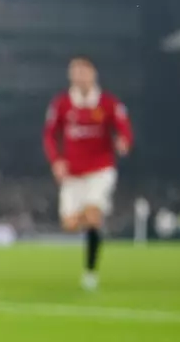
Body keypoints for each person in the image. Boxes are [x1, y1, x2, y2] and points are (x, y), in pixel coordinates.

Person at [42, 55, 133, 290]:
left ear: (93, 74)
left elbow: (124, 129)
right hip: (73, 174)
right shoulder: (62, 104)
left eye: (83, 72)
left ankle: (90, 272)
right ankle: (84, 217)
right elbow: (50, 135)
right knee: (70, 225)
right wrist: (56, 161)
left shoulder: (108, 103)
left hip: (100, 170)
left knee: (93, 217)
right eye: (75, 72)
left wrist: (124, 141)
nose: (79, 77)